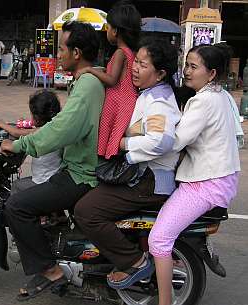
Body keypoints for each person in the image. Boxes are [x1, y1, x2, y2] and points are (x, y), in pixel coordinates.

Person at [0, 21, 105, 301]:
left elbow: (61, 130)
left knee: (16, 206)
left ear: (77, 53)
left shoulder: (87, 85)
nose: (58, 54)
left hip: (81, 174)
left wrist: (20, 144)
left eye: (61, 48)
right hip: (80, 168)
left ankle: (50, 270)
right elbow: (60, 122)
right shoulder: (89, 81)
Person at [74, 37, 181, 289]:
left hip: (149, 181)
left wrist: (123, 146)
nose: (135, 68)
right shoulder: (149, 93)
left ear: (161, 73)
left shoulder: (159, 102)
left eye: (143, 65)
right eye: (136, 62)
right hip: (143, 176)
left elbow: (160, 142)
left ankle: (134, 261)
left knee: (86, 211)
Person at [147, 44, 240, 305]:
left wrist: (138, 133)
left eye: (193, 66)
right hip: (220, 178)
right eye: (186, 64)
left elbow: (175, 141)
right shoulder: (221, 95)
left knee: (159, 239)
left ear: (211, 74)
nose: (186, 71)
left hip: (205, 183)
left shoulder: (203, 101)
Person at [76, 2, 141, 159]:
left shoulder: (120, 52)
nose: (107, 31)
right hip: (126, 100)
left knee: (107, 134)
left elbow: (112, 80)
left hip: (117, 101)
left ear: (116, 31)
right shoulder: (130, 52)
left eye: (108, 27)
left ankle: (105, 166)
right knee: (115, 136)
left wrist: (90, 69)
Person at [0, 89, 62, 193]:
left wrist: (1, 123)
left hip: (43, 181)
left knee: (17, 186)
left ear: (37, 118)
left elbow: (16, 133)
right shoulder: (54, 127)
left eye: (32, 115)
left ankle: (13, 209)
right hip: (51, 178)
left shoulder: (43, 132)